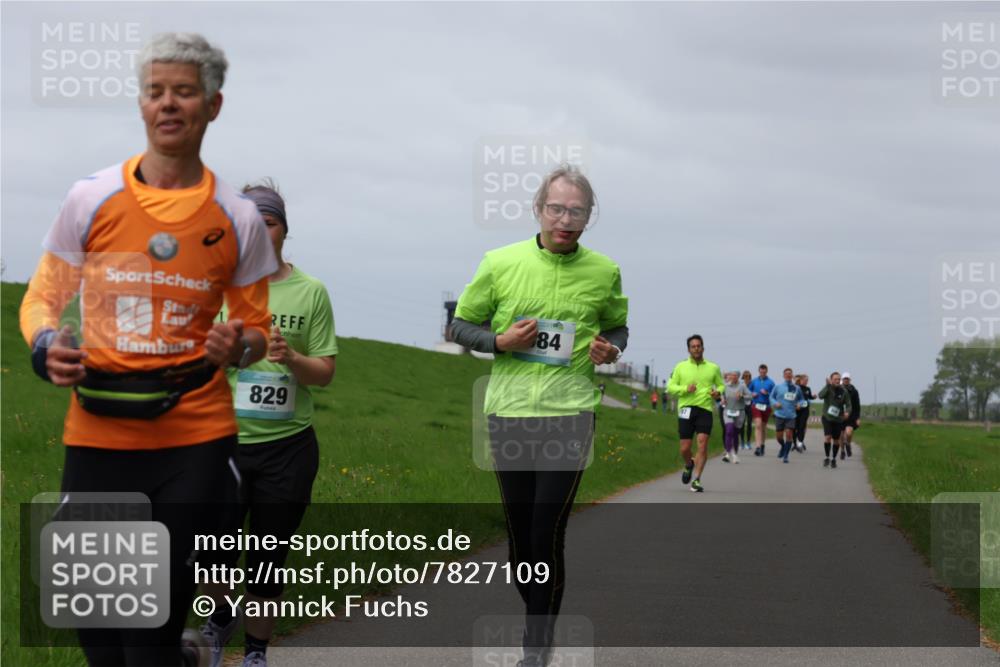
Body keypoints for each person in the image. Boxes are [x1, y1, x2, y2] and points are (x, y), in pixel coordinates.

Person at [18, 33, 276, 667]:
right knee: (100, 631)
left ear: (212, 105)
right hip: (100, 433)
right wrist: (46, 345)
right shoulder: (91, 197)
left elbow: (258, 330)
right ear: (141, 104)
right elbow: (41, 299)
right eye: (155, 92)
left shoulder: (238, 218)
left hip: (192, 437)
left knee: (149, 626)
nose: (168, 104)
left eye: (183, 92)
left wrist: (235, 343)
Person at [449, 164, 628, 666]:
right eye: (557, 209)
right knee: (521, 540)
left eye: (576, 211)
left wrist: (608, 350)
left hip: (571, 413)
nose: (565, 219)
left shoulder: (604, 271)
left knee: (548, 530)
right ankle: (541, 618)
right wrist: (499, 341)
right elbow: (460, 327)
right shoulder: (499, 262)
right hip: (508, 414)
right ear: (538, 209)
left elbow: (617, 329)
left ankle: (536, 648)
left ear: (589, 216)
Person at [199, 184, 338, 667]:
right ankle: (219, 620)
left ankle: (255, 653)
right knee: (211, 553)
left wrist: (292, 357)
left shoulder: (311, 292)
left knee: (266, 558)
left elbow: (324, 372)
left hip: (288, 446)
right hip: (222, 443)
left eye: (269, 221)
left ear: (283, 230)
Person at [667, 335, 724, 493]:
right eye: (693, 346)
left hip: (705, 409)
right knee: (685, 448)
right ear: (688, 349)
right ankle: (689, 464)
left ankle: (697, 479)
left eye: (699, 346)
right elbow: (671, 386)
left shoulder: (713, 367)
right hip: (686, 408)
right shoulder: (680, 367)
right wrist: (685, 389)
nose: (696, 348)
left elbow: (720, 385)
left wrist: (717, 392)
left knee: (702, 443)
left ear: (703, 348)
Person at [819, 372, 853, 469]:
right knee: (827, 437)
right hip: (827, 417)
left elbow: (849, 404)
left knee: (836, 440)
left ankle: (834, 459)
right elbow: (820, 396)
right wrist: (827, 385)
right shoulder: (828, 388)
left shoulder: (844, 391)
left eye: (839, 379)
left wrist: (847, 412)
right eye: (835, 379)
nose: (837, 381)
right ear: (831, 380)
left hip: (838, 419)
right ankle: (827, 457)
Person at [770, 368, 804, 463]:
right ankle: (783, 446)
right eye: (786, 374)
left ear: (792, 376)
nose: (788, 375)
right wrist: (775, 403)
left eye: (790, 374)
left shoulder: (797, 388)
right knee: (779, 437)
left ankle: (786, 455)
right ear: (784, 376)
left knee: (789, 435)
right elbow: (771, 397)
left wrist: (799, 404)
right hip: (779, 414)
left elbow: (802, 399)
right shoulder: (778, 387)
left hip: (791, 416)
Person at [721, 371, 752, 464]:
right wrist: (722, 399)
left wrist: (742, 395)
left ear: (738, 377)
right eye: (731, 375)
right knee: (729, 430)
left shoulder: (742, 386)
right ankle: (728, 453)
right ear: (729, 377)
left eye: (735, 375)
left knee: (735, 433)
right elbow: (721, 394)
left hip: (739, 412)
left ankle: (734, 454)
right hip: (728, 411)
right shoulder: (726, 386)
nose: (733, 377)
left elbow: (750, 396)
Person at [748, 364, 775, 456]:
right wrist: (752, 394)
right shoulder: (754, 381)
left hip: (766, 406)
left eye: (764, 372)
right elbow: (748, 391)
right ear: (759, 371)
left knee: (763, 427)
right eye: (761, 371)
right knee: (758, 425)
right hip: (756, 405)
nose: (762, 373)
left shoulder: (771, 382)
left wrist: (767, 393)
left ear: (766, 372)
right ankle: (758, 447)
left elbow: (774, 394)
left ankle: (762, 445)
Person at [842, 372, 861, 459]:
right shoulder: (838, 389)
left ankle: (848, 444)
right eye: (844, 379)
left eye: (847, 379)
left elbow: (857, 405)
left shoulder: (854, 391)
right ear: (842, 379)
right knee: (841, 435)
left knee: (849, 433)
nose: (846, 380)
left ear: (850, 380)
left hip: (851, 415)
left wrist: (858, 418)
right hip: (840, 414)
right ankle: (842, 451)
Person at [794, 374, 815, 452]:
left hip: (805, 410)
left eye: (807, 380)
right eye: (805, 380)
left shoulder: (808, 388)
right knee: (795, 427)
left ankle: (800, 443)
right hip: (796, 409)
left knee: (802, 426)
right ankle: (795, 443)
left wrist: (813, 397)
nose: (806, 382)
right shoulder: (796, 388)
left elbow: (809, 397)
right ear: (800, 380)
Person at [740, 370, 754, 449]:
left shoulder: (752, 384)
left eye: (748, 376)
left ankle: (748, 442)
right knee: (742, 424)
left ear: (750, 377)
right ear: (743, 377)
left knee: (749, 424)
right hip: (742, 405)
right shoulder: (741, 384)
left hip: (750, 405)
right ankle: (742, 441)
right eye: (745, 376)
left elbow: (753, 394)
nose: (746, 378)